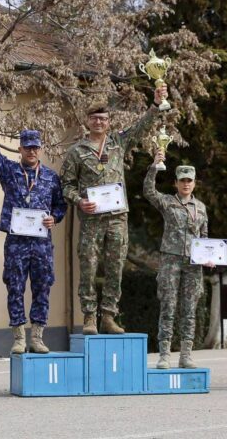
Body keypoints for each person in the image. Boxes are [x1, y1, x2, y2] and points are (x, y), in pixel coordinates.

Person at [60, 86, 167, 334]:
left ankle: (108, 316)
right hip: (91, 218)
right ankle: (89, 317)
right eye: (94, 118)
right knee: (88, 265)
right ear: (88, 121)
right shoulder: (77, 152)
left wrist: (155, 105)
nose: (98, 122)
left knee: (115, 265)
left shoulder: (118, 142)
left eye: (103, 119)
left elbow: (141, 128)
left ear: (108, 122)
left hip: (117, 217)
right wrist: (79, 201)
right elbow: (66, 186)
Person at [0, 110, 67, 354]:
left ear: (40, 149)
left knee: (42, 286)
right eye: (27, 147)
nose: (31, 151)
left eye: (35, 147)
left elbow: (61, 205)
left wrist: (54, 218)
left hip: (42, 242)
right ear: (20, 149)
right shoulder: (10, 171)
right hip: (16, 241)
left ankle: (37, 336)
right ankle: (18, 337)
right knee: (15, 286)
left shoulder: (51, 177)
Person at [143, 152, 213, 369]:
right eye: (182, 180)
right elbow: (148, 191)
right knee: (168, 306)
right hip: (170, 261)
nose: (186, 184)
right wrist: (154, 167)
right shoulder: (167, 202)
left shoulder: (200, 207)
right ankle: (164, 354)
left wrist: (209, 257)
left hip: (193, 264)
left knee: (189, 309)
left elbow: (204, 236)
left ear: (194, 183)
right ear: (176, 183)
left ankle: (186, 355)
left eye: (189, 180)